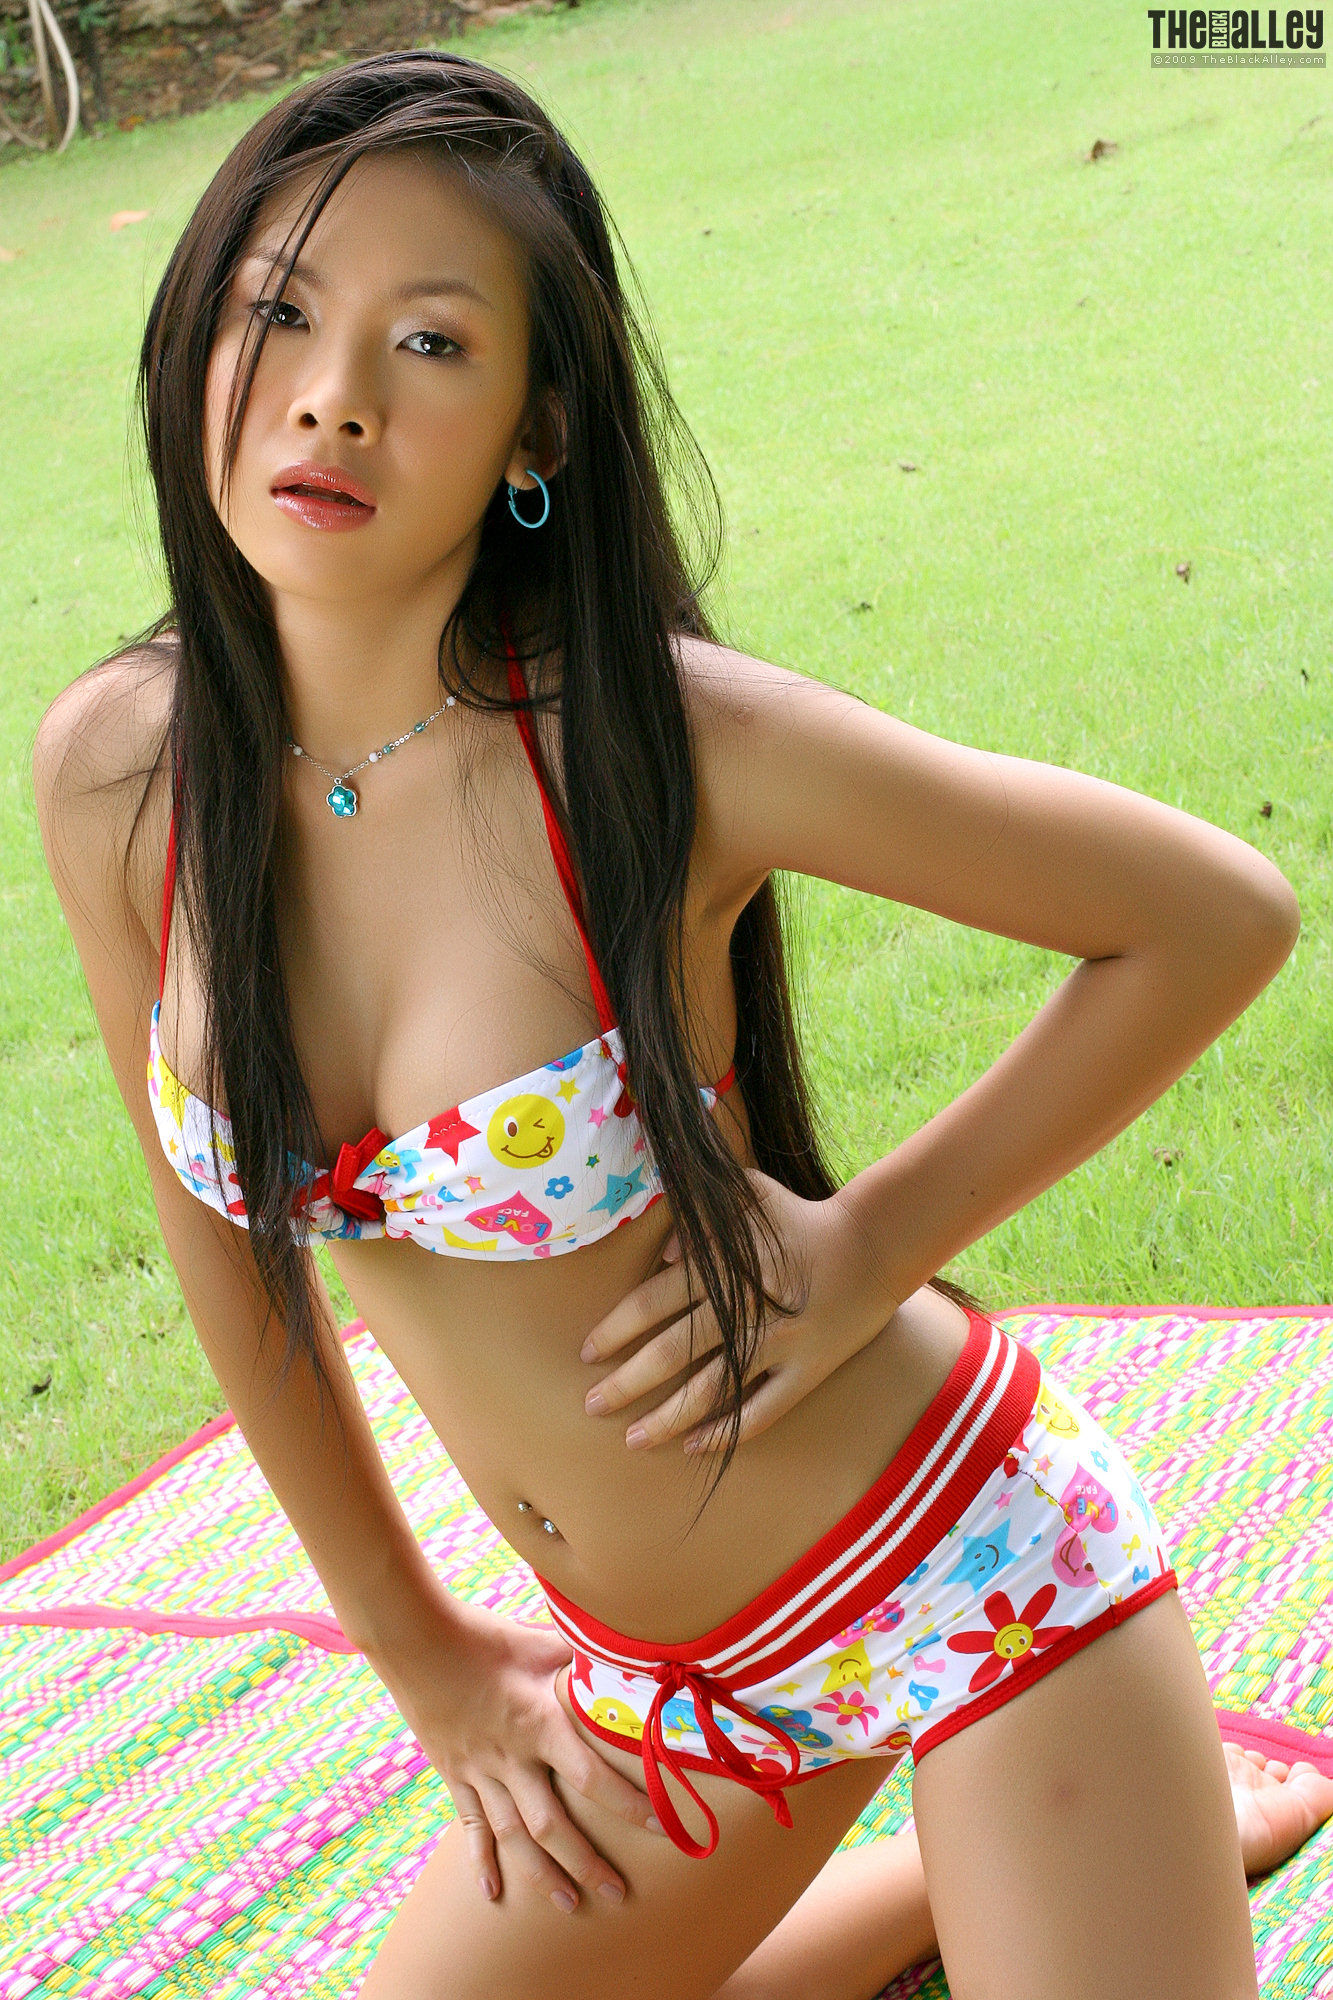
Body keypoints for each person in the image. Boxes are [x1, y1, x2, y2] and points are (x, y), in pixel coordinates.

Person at [31, 49, 1332, 2000]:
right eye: (277, 311)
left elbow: (1209, 918)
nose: (332, 396)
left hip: (970, 1593)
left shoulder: (650, 743)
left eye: (431, 343)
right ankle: (958, 1895)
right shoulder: (122, 775)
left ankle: (1083, 1838)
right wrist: (420, 1650)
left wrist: (867, 1244)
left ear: (534, 424)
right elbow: (213, 1234)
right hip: (657, 1689)